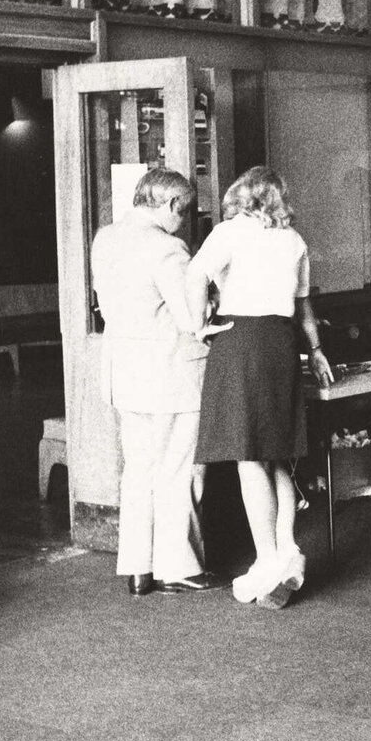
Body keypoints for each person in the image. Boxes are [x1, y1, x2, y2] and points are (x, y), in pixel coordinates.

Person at [186, 166, 333, 609]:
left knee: (247, 456)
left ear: (241, 197)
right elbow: (305, 306)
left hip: (240, 341)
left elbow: (195, 276)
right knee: (274, 452)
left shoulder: (229, 233)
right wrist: (318, 350)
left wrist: (198, 326)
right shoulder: (294, 240)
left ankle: (267, 561)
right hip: (281, 343)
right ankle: (287, 549)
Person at [89, 167, 230, 597]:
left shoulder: (105, 239)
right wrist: (214, 297)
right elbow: (191, 318)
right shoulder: (168, 249)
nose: (185, 222)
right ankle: (179, 567)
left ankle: (137, 568)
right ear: (170, 206)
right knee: (178, 470)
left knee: (138, 470)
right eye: (184, 213)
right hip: (171, 374)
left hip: (125, 374)